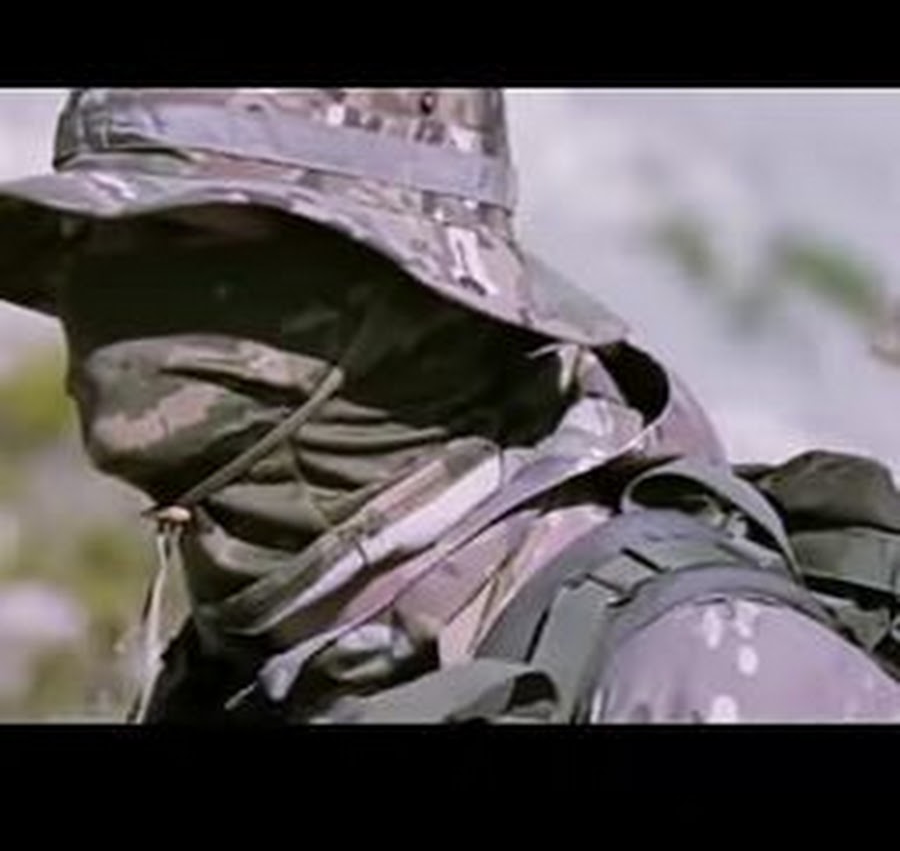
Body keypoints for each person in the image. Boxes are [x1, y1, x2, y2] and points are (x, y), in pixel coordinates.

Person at [1, 88, 899, 724]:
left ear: (386, 282)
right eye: (87, 241)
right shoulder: (246, 655)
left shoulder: (696, 672)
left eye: (176, 233)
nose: (102, 291)